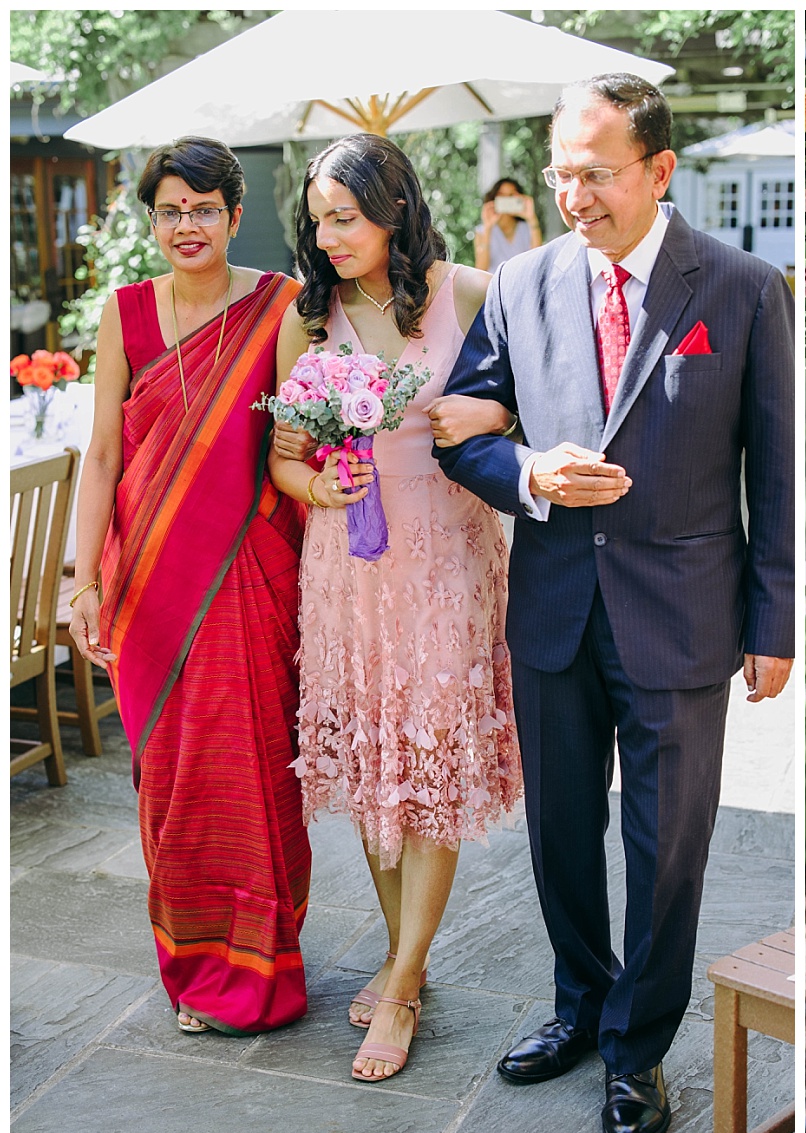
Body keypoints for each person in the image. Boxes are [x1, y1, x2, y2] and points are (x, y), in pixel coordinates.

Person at [434, 73, 794, 1133]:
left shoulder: (739, 288)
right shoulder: (520, 281)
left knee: (667, 844)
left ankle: (637, 1051)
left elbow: (769, 470)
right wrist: (531, 472)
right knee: (558, 834)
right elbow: (465, 428)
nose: (574, 194)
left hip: (684, 616)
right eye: (561, 172)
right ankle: (581, 1004)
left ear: (658, 170)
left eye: (596, 173)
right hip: (551, 607)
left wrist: (772, 622)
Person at [267, 132, 523, 1082]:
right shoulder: (309, 316)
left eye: (345, 215)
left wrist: (492, 415)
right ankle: (400, 950)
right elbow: (283, 455)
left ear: (394, 208)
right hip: (348, 574)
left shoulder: (468, 294)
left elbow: (525, 408)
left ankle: (405, 980)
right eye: (318, 218)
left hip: (447, 568)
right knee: (379, 776)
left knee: (431, 773)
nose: (328, 234)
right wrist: (310, 485)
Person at [66, 137, 310, 1036]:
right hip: (149, 588)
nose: (186, 225)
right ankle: (193, 963)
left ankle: (263, 959)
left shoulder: (280, 307)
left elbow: (293, 452)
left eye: (204, 208)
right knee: (169, 780)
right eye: (170, 210)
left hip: (246, 577)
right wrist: (82, 581)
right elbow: (101, 456)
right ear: (153, 219)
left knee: (248, 769)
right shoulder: (124, 313)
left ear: (235, 216)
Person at [474, 177, 542, 272]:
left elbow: (537, 262)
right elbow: (481, 269)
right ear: (493, 198)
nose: (506, 200)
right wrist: (488, 227)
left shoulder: (527, 228)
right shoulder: (482, 231)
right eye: (501, 195)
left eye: (511, 195)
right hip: (494, 284)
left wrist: (532, 218)